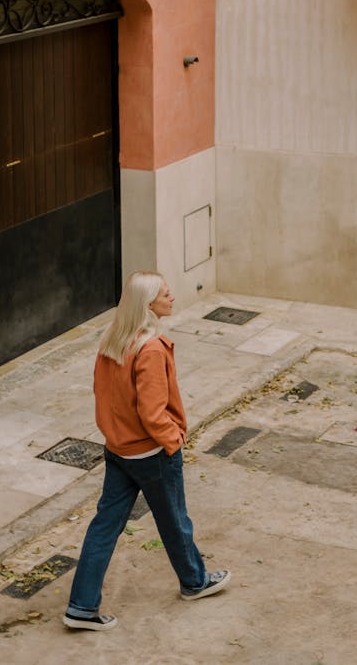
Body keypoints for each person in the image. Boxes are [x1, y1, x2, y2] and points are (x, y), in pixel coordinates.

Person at [63, 270, 231, 631]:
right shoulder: (151, 348)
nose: (172, 298)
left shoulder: (114, 337)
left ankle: (81, 607)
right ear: (148, 304)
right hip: (150, 453)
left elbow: (103, 394)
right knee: (174, 521)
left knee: (104, 526)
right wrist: (174, 441)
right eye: (166, 294)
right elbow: (153, 413)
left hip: (119, 449)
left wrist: (116, 436)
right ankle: (195, 582)